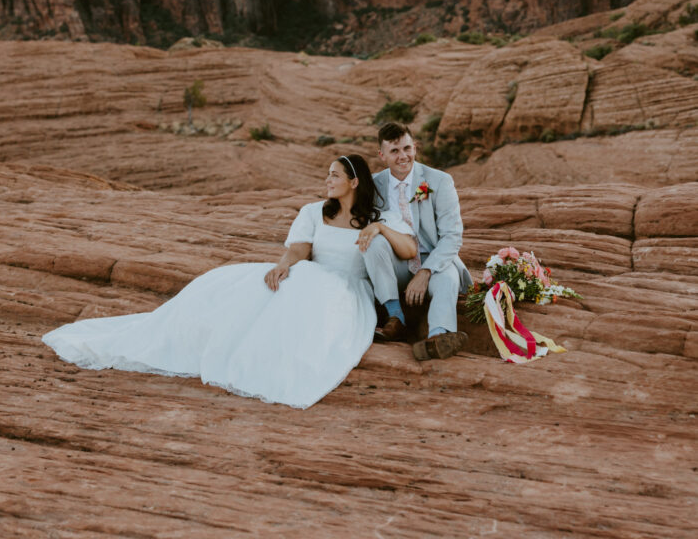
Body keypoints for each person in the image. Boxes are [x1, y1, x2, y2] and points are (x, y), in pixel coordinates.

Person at [42, 154, 416, 409]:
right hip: (309, 273)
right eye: (326, 174)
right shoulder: (312, 211)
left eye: (334, 175)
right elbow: (300, 249)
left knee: (312, 314)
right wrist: (283, 264)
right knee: (229, 289)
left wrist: (379, 227)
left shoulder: (377, 214)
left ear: (353, 181)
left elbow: (407, 249)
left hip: (346, 288)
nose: (326, 181)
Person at [360, 122, 473, 361]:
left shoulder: (439, 181)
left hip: (432, 258)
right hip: (395, 263)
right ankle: (395, 318)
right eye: (394, 151)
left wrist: (425, 271)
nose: (403, 156)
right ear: (382, 155)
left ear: (415, 147)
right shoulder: (372, 185)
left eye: (407, 148)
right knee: (374, 242)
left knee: (449, 276)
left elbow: (452, 236)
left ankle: (438, 336)